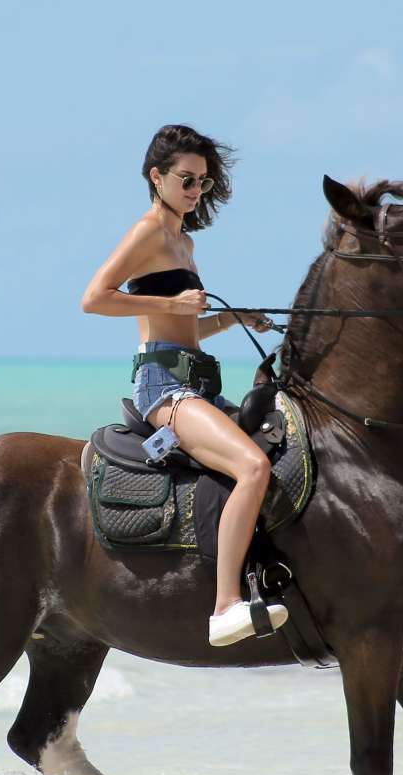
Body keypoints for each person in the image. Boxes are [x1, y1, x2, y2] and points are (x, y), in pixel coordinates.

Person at [81, 124, 279, 648]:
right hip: (163, 388)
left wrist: (233, 320)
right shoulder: (147, 232)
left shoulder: (183, 241)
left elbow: (185, 328)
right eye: (186, 180)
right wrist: (171, 304)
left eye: (203, 183)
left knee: (277, 451)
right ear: (157, 177)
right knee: (252, 466)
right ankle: (225, 607)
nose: (195, 192)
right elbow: (95, 297)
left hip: (195, 379)